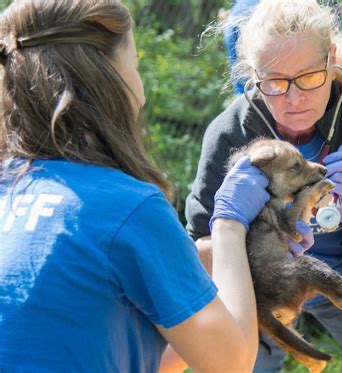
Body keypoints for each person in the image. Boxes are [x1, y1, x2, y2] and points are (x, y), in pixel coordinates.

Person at [0, 1, 276, 371]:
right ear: (109, 79)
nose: (141, 88)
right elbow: (230, 362)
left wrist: (192, 288)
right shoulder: (125, 207)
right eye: (135, 64)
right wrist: (229, 225)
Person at [185, 0, 342, 371]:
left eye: (308, 77)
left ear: (331, 58)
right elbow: (199, 255)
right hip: (257, 295)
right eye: (274, 81)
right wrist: (229, 223)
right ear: (252, 74)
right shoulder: (229, 133)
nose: (294, 98)